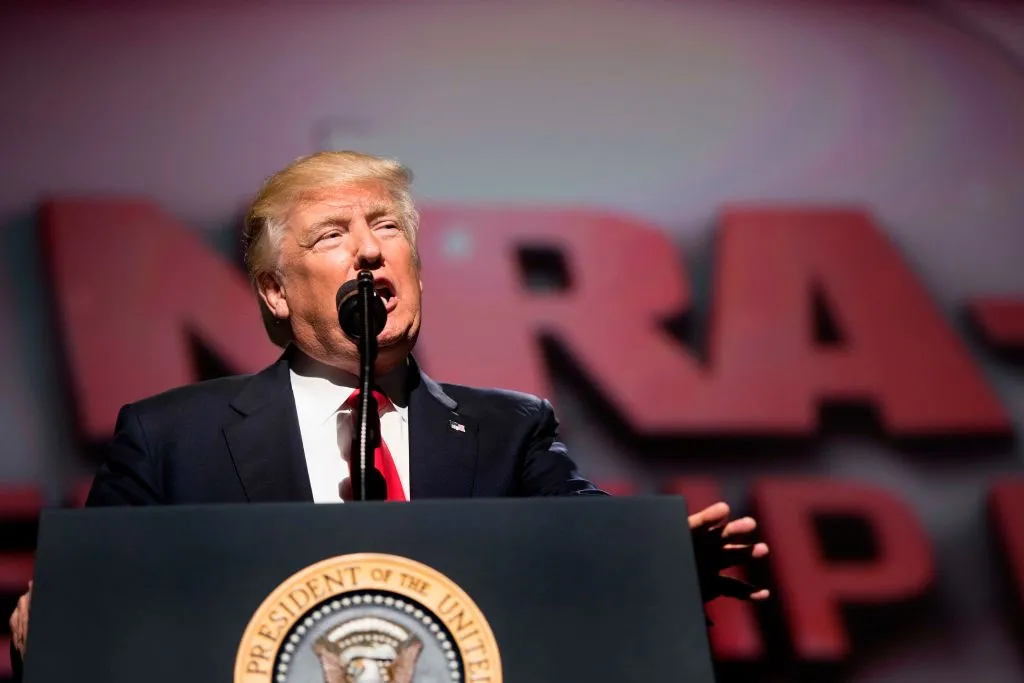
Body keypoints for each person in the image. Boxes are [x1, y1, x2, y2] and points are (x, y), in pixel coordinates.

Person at [7, 151, 768, 676]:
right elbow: (92, 614)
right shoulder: (169, 436)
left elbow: (584, 551)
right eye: (333, 234)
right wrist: (54, 629)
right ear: (276, 291)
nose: (369, 251)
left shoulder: (511, 431)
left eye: (387, 226)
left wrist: (657, 569)